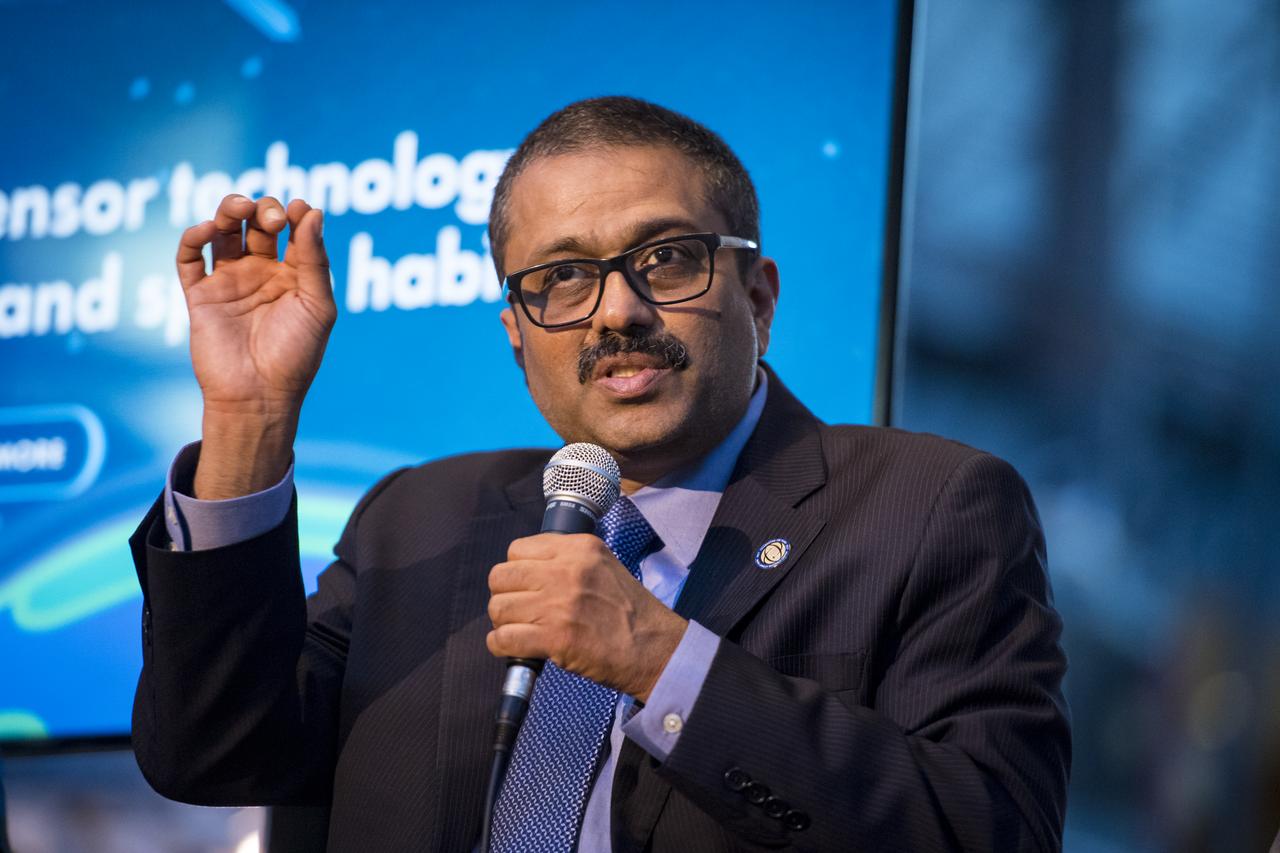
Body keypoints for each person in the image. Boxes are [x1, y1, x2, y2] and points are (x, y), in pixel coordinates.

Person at [130, 97, 1070, 852]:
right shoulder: (417, 519)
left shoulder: (928, 508)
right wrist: (248, 420)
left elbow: (991, 826)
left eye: (666, 259)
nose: (616, 309)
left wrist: (665, 661)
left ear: (759, 294)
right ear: (517, 333)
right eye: (563, 278)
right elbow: (214, 754)